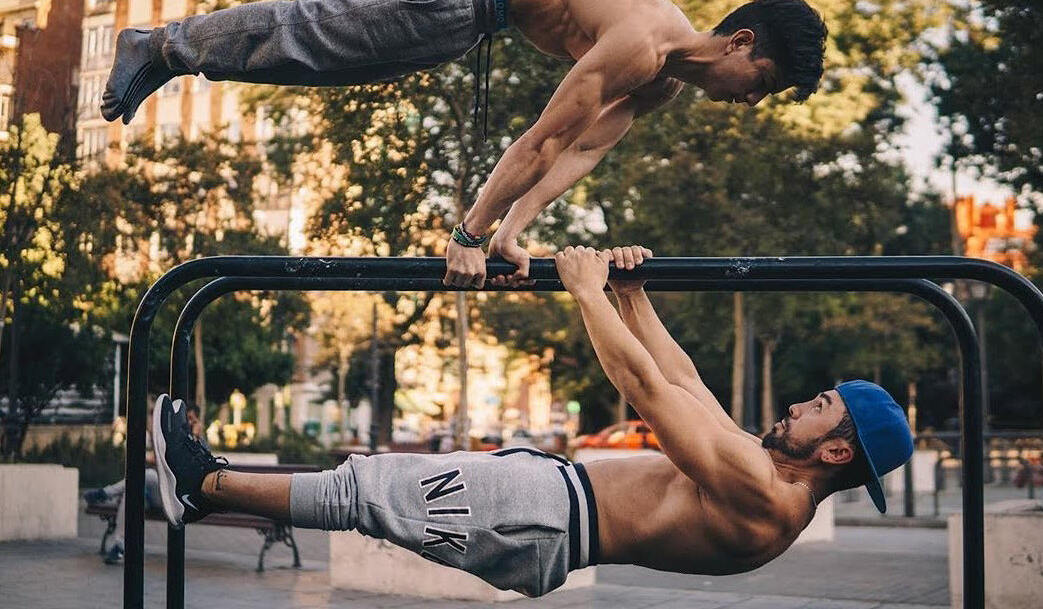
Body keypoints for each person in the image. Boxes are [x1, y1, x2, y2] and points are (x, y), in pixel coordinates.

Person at [149, 245, 911, 597]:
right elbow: (682, 379)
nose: (796, 406)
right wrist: (633, 294)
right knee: (372, 486)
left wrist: (584, 290)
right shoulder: (763, 474)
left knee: (369, 489)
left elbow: (642, 386)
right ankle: (210, 485)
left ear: (837, 449)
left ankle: (201, 483)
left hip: (547, 518)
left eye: (818, 409)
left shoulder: (761, 493)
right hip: (550, 505)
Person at [101, 0, 827, 288]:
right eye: (760, 81)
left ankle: (169, 55)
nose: (750, 101)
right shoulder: (643, 43)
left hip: (468, 17)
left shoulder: (660, 83)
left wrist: (511, 234)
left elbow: (579, 154)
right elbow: (543, 140)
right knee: (312, 33)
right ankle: (158, 43)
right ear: (739, 42)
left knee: (319, 64)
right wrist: (466, 234)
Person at [84, 402, 207, 565]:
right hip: (160, 495)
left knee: (147, 475)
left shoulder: (201, 443)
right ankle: (119, 546)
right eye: (187, 419)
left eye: (192, 419)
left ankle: (105, 493)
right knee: (131, 494)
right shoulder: (176, 439)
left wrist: (196, 438)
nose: (189, 422)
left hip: (180, 499)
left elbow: (201, 466)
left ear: (198, 421)